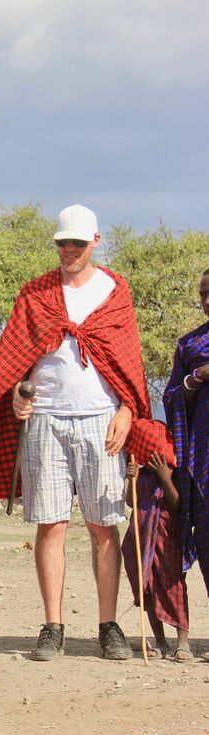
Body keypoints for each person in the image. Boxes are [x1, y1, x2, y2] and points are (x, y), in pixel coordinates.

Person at [0, 204, 150, 662]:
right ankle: (53, 626)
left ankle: (108, 625)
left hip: (101, 420)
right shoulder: (36, 294)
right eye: (62, 243)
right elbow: (14, 360)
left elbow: (129, 361)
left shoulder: (115, 293)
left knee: (104, 525)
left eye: (77, 244)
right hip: (46, 419)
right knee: (51, 524)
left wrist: (127, 411)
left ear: (96, 243)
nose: (69, 251)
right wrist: (17, 394)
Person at [161, 267, 209, 658]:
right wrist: (197, 378)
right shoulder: (189, 345)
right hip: (202, 462)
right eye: (203, 293)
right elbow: (172, 396)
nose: (208, 299)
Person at [120, 419, 191, 660]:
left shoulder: (173, 470)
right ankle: (160, 641)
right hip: (141, 535)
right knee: (147, 587)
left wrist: (164, 476)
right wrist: (131, 479)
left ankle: (183, 642)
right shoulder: (139, 473)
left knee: (174, 586)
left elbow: (177, 503)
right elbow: (132, 502)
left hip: (167, 537)